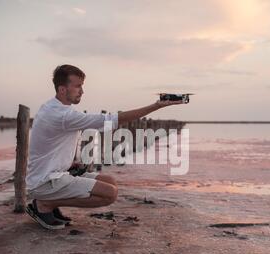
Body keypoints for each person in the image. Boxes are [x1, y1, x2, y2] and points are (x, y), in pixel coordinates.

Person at [25, 64, 185, 229]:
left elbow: (50, 146)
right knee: (109, 194)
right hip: (46, 182)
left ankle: (48, 201)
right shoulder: (63, 115)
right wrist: (156, 106)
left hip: (51, 175)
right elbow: (112, 120)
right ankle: (46, 204)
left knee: (110, 182)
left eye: (82, 86)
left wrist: (68, 164)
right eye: (77, 86)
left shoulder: (51, 107)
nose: (82, 91)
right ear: (62, 89)